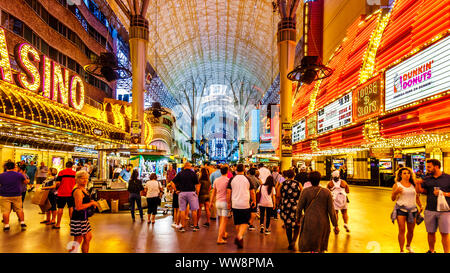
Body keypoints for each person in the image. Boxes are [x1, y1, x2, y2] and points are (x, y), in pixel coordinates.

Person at [296, 171, 338, 253]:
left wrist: (297, 219)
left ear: (310, 180)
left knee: (310, 242)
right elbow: (331, 211)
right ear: (320, 179)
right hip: (323, 222)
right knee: (320, 244)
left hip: (309, 221)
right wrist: (335, 225)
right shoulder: (326, 192)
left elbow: (299, 208)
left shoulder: (305, 191)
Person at [416, 159, 450, 253]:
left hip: (445, 211)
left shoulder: (448, 178)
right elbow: (421, 191)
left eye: (429, 166)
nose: (427, 169)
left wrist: (444, 193)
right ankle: (431, 250)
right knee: (430, 232)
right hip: (430, 209)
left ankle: (446, 252)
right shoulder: (427, 178)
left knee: (445, 233)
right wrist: (418, 184)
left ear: (436, 166)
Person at [391, 167, 423, 253]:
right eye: (404, 173)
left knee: (411, 230)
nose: (406, 175)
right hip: (401, 209)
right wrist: (395, 192)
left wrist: (420, 205)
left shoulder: (413, 184)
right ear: (400, 175)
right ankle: (401, 250)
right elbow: (393, 198)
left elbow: (416, 197)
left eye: (408, 173)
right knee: (402, 230)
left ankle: (408, 246)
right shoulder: (397, 185)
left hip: (412, 210)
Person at [227, 164, 256, 249]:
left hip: (235, 204)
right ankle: (239, 236)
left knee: (237, 222)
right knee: (245, 221)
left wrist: (228, 203)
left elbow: (228, 192)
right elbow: (252, 192)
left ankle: (240, 238)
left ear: (236, 169)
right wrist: (254, 200)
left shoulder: (232, 179)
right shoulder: (248, 179)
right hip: (245, 204)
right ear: (244, 169)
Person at [69, 170, 98, 253]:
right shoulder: (78, 191)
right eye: (82, 178)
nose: (85, 180)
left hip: (83, 218)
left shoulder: (83, 188)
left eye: (86, 178)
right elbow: (78, 207)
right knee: (78, 240)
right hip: (78, 218)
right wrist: (91, 203)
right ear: (77, 179)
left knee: (88, 237)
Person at [172, 162, 201, 232]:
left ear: (184, 166)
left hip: (182, 193)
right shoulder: (193, 174)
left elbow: (172, 182)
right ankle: (195, 226)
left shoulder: (180, 173)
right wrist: (197, 193)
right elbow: (197, 184)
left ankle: (183, 227)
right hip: (191, 192)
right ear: (190, 167)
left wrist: (176, 190)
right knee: (194, 210)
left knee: (182, 210)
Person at [280, 169, 303, 250]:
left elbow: (278, 195)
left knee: (288, 224)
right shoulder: (298, 183)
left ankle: (290, 242)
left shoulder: (282, 184)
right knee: (297, 224)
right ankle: (294, 241)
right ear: (294, 175)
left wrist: (280, 203)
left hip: (285, 205)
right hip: (296, 205)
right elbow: (303, 194)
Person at [0, 162, 27, 231]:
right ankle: (22, 223)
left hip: (4, 195)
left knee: (6, 211)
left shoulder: (1, 175)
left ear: (6, 167)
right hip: (17, 195)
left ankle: (6, 226)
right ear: (13, 167)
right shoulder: (19, 174)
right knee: (19, 209)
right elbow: (26, 182)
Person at [210, 166, 230, 244]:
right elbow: (228, 193)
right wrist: (229, 203)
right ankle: (219, 238)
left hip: (217, 202)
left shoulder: (216, 180)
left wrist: (211, 202)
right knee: (224, 221)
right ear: (227, 171)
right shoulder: (228, 181)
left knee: (221, 219)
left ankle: (223, 233)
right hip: (224, 202)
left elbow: (213, 192)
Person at [54, 161, 76, 229]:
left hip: (62, 193)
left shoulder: (61, 172)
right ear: (72, 166)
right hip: (71, 193)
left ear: (65, 165)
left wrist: (57, 188)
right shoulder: (75, 173)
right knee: (71, 207)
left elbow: (58, 183)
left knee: (60, 208)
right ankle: (72, 223)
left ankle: (58, 224)